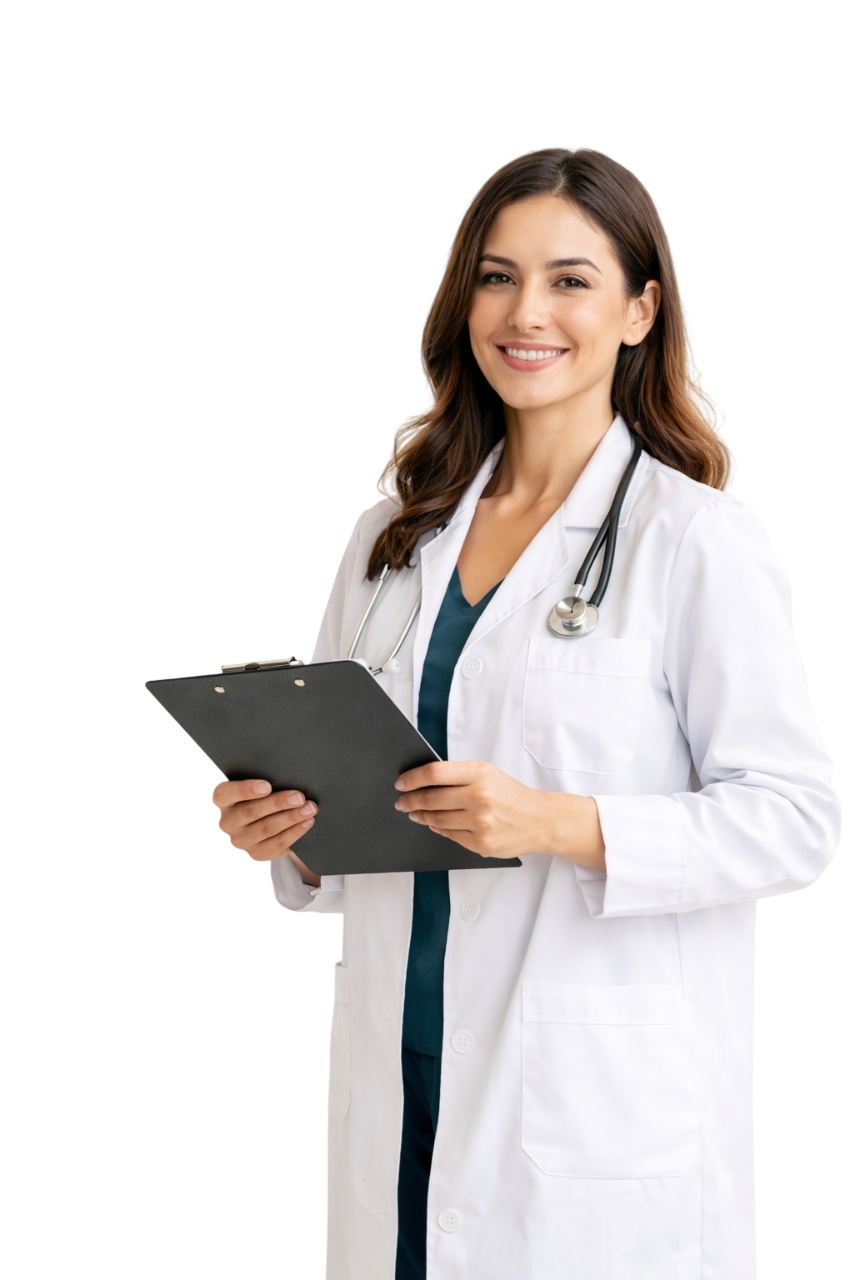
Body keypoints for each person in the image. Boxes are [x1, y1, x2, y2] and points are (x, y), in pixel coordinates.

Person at [212, 147, 841, 1279]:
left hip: (591, 1119)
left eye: (569, 280)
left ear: (641, 310)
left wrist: (558, 822)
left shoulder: (695, 539)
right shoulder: (392, 535)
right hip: (400, 1083)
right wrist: (293, 837)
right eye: (496, 278)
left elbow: (794, 819)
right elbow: (355, 818)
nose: (524, 313)